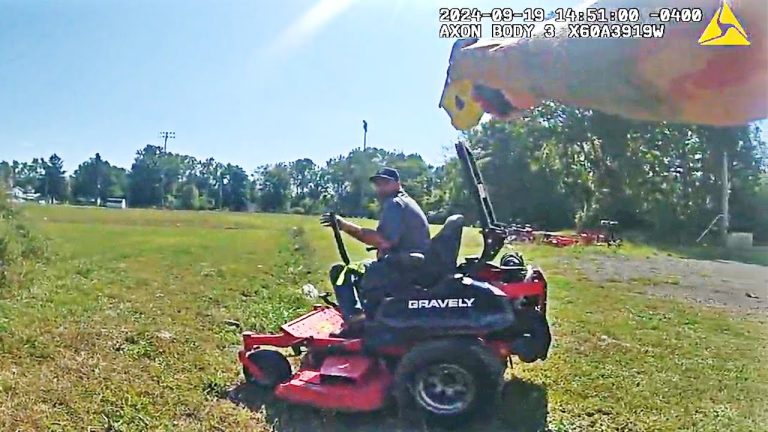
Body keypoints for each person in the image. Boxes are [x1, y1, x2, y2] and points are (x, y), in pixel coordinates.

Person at [320, 167, 430, 334]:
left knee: (343, 273)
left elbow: (382, 240)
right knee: (362, 269)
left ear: (397, 184)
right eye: (378, 184)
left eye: (386, 183)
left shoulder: (395, 204)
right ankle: (368, 314)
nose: (381, 188)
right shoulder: (404, 202)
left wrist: (344, 225)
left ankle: (356, 322)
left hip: (403, 267)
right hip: (409, 263)